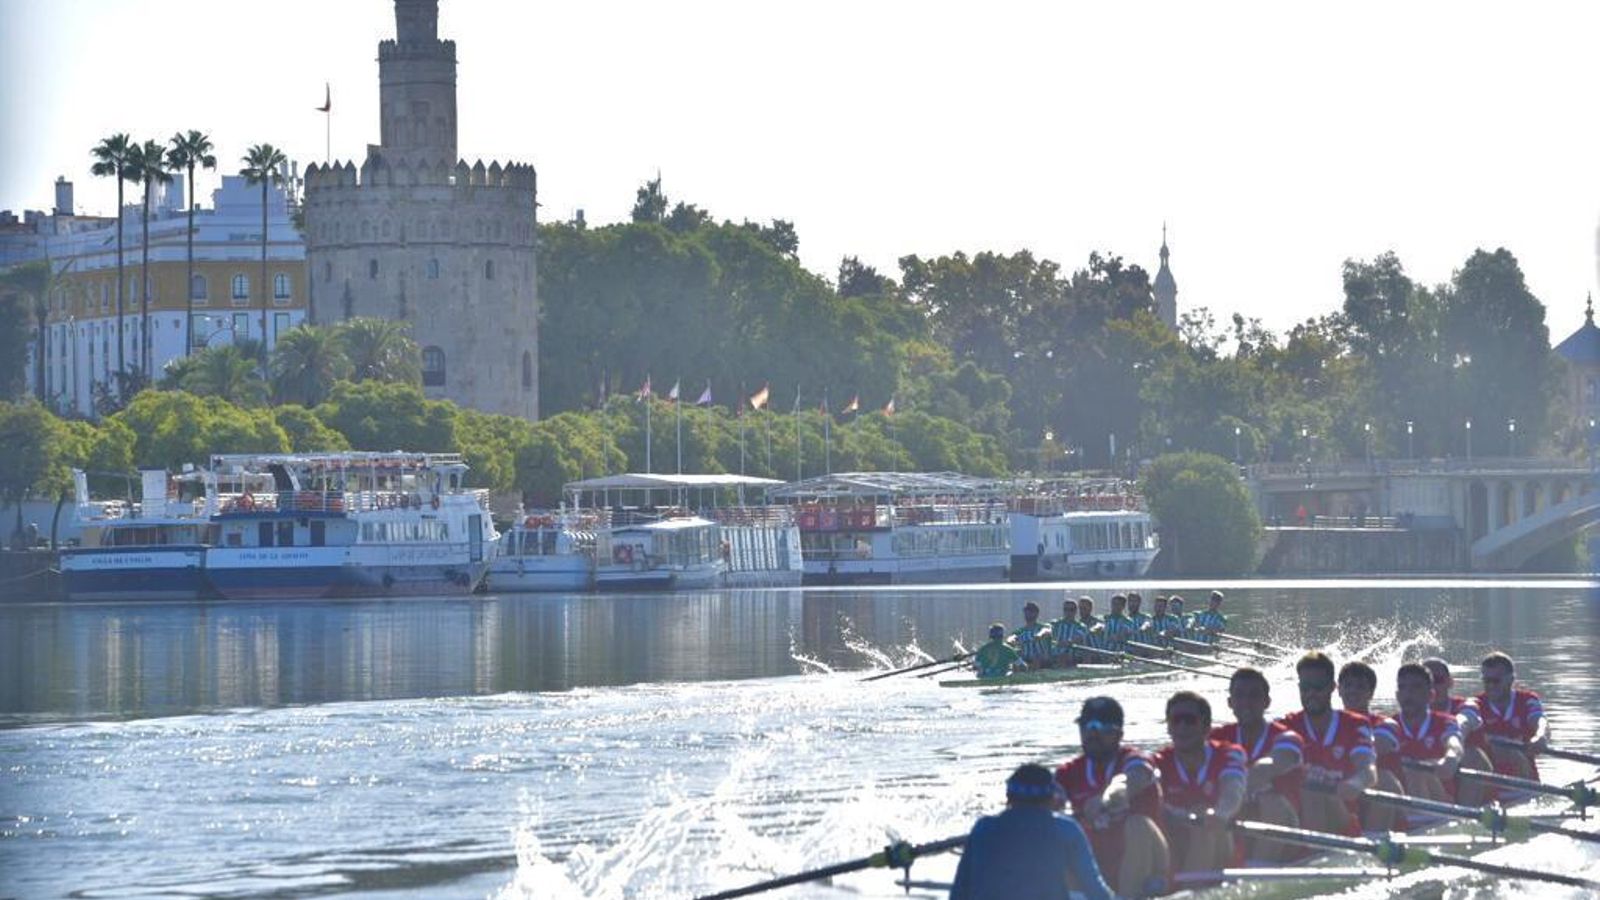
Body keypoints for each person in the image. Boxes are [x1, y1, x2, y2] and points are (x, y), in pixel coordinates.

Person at [1055, 697, 1170, 897]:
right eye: (1087, 726)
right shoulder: (1068, 772)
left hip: (1151, 862)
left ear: (1119, 733)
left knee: (1137, 824)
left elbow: (1126, 783)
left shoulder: (1136, 760)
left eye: (1101, 726)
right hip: (1097, 864)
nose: (1093, 732)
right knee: (1054, 832)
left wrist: (1104, 800)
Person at [948, 764, 1115, 900]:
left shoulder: (983, 828)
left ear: (1008, 797)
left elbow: (958, 893)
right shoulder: (1066, 830)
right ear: (1051, 798)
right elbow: (1095, 891)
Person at [1278, 651, 1376, 835]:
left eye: (1318, 687)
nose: (1311, 693)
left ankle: (1311, 855)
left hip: (1343, 819)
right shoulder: (1286, 726)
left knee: (1313, 792)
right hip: (1296, 821)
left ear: (1332, 687)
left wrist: (1355, 784)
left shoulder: (1355, 724)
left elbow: (1368, 770)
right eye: (1306, 687)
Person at [1213, 667, 1303, 861]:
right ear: (1230, 702)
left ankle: (1260, 867)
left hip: (1286, 831)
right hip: (1235, 822)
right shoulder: (1216, 739)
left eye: (1254, 696)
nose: (1246, 702)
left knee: (1271, 801)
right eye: (1240, 696)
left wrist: (1237, 790)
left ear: (1266, 702)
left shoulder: (1287, 737)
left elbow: (1270, 766)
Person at [1153, 691, 1247, 872]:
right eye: (1176, 720)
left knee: (1204, 824)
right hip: (1177, 848)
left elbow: (1233, 790)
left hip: (1220, 843)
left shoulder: (1228, 754)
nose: (1182, 727)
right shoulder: (1158, 762)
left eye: (1189, 720)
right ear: (1169, 727)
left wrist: (1220, 813)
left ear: (1206, 727)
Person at [1375, 663, 1463, 804]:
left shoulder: (1445, 722)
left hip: (1442, 805)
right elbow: (1377, 743)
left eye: (1416, 688)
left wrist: (1451, 758)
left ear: (1431, 695)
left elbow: (1454, 744)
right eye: (1403, 688)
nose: (1408, 694)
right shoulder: (1389, 725)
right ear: (1397, 695)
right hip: (1403, 802)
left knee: (1418, 771)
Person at [1337, 660, 1404, 829]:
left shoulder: (1385, 724)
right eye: (1348, 685)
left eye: (1360, 687)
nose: (1353, 691)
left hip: (1381, 805)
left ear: (1371, 693)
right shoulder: (1326, 723)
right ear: (1339, 690)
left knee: (1384, 778)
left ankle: (1374, 839)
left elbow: (1375, 749)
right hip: (1342, 801)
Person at [1421, 656, 1491, 802]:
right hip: (1438, 791)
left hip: (1473, 788)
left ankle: (1467, 814)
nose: (1433, 688)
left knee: (1473, 755)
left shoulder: (1467, 706)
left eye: (1438, 681)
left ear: (1450, 682)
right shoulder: (1410, 717)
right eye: (1427, 682)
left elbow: (1462, 723)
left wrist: (1451, 752)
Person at [1474, 651, 1548, 780]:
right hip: (1490, 788)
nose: (1491, 685)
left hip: (1526, 785)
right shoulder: (1475, 705)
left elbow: (1540, 721)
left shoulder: (1527, 700)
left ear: (1511, 679)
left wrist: (1541, 736)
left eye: (1496, 681)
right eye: (1487, 680)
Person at [1012, 602, 1055, 670]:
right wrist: (1010, 641)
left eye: (1031, 611)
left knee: (1036, 659)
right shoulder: (1020, 631)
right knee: (1016, 662)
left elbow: (1046, 631)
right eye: (1026, 611)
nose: (1028, 613)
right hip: (1025, 658)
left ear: (1036, 613)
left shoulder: (1043, 627)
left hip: (1041, 659)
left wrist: (1040, 635)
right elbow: (1012, 637)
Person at [1049, 598, 1092, 667]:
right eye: (1066, 609)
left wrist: (1069, 642)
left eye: (1071, 610)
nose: (1068, 612)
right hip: (1056, 657)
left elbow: (1079, 637)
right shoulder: (1055, 624)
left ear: (1075, 611)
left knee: (1066, 655)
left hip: (1073, 658)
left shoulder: (1081, 626)